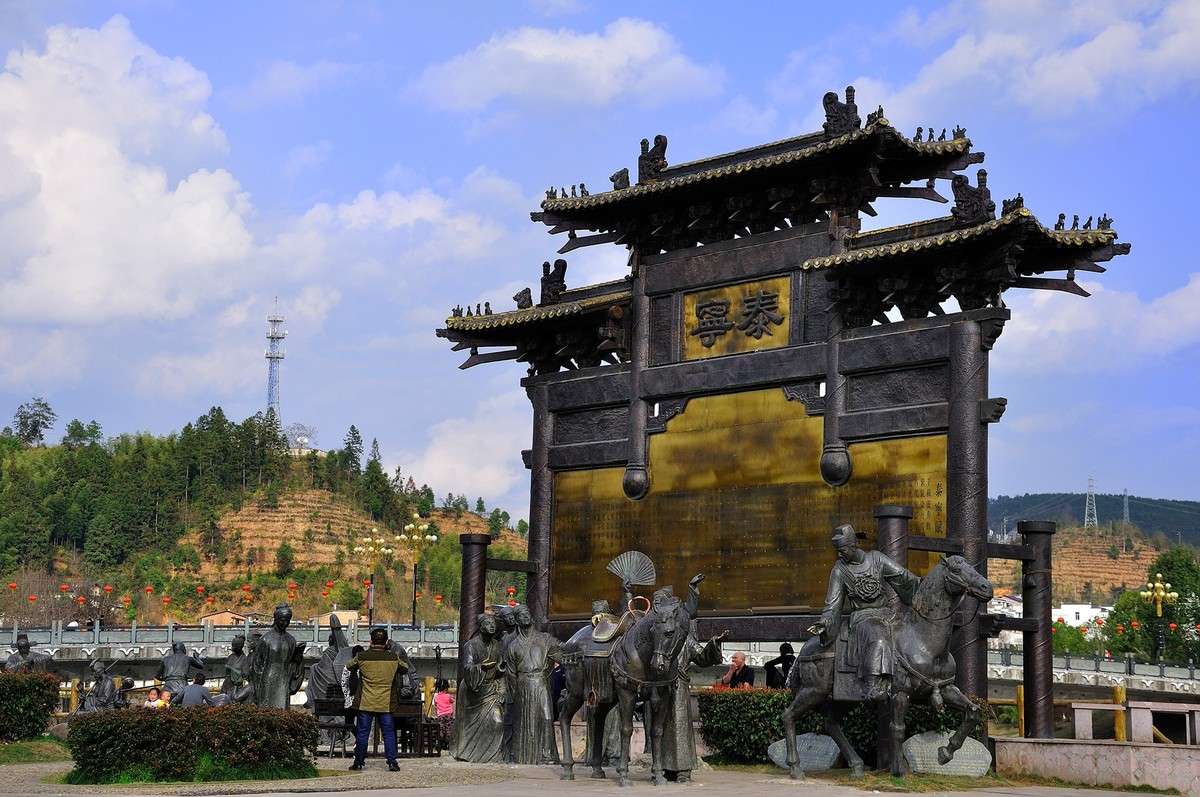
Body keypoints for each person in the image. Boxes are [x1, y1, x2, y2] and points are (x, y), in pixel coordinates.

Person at [809, 523, 920, 701]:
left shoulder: (876, 558)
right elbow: (833, 604)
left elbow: (904, 578)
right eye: (837, 551)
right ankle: (872, 685)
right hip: (862, 617)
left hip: (887, 614)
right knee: (878, 636)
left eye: (842, 550)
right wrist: (825, 622)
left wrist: (925, 588)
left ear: (854, 545)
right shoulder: (839, 570)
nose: (839, 554)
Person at [346, 627, 408, 772]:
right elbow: (405, 668)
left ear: (371, 641)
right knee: (388, 733)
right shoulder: (393, 657)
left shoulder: (362, 656)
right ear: (386, 642)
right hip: (385, 703)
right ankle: (392, 762)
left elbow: (349, 666)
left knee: (363, 733)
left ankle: (358, 762)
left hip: (366, 702)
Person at [450, 614, 505, 763]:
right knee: (468, 725)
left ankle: (492, 755)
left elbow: (499, 668)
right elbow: (467, 667)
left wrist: (500, 669)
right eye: (488, 623)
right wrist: (481, 667)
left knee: (497, 721)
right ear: (480, 627)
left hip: (490, 689)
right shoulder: (471, 645)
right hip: (472, 689)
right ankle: (467, 752)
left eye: (493, 623)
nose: (492, 626)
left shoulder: (497, 645)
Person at [249, 604, 306, 708]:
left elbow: (293, 663)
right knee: (267, 709)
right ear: (276, 619)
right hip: (268, 679)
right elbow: (257, 666)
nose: (285, 623)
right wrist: (257, 688)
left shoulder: (291, 640)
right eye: (282, 620)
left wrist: (298, 656)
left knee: (283, 709)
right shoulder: (265, 639)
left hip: (284, 680)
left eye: (288, 620)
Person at [433, 679, 455, 750]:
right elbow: (453, 701)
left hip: (440, 715)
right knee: (449, 729)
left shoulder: (436, 697)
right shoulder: (448, 696)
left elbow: (435, 705)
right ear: (446, 688)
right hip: (449, 715)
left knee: (441, 729)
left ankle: (440, 743)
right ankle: (448, 744)